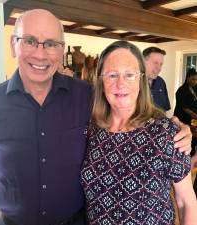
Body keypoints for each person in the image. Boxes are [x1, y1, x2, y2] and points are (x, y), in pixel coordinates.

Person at [0, 9, 192, 225]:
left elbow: (126, 109)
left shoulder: (85, 97)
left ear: (61, 50)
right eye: (30, 41)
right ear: (14, 45)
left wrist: (178, 128)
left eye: (51, 44)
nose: (40, 53)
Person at [81, 41, 197, 225]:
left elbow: (186, 203)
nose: (121, 83)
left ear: (141, 80)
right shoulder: (91, 129)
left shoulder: (166, 133)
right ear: (101, 82)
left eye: (129, 74)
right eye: (112, 75)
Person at [174, 68, 197, 156]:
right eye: (193, 79)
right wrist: (194, 115)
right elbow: (184, 108)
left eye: (196, 79)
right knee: (185, 140)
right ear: (187, 78)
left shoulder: (196, 88)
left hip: (194, 120)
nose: (195, 81)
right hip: (183, 119)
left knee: (194, 139)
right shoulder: (181, 90)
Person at [143, 47, 171, 112]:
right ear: (143, 62)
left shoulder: (161, 82)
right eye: (155, 63)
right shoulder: (132, 83)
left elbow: (164, 110)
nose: (159, 68)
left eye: (161, 64)